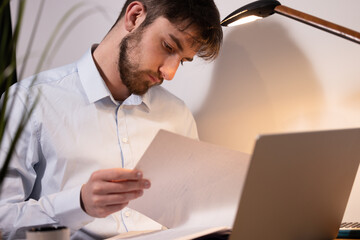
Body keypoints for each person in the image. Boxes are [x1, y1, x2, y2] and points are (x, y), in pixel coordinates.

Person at [0, 0, 223, 239]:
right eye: (168, 46)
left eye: (182, 60)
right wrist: (79, 203)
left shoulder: (178, 115)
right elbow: (3, 216)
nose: (170, 73)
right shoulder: (28, 102)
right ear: (135, 16)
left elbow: (192, 214)